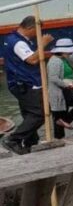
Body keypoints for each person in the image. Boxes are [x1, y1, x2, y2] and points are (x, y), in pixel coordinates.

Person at [2, 17, 53, 154]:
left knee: (29, 114)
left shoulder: (12, 39)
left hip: (19, 83)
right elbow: (32, 60)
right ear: (30, 28)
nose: (37, 35)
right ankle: (13, 139)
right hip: (25, 83)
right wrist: (43, 44)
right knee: (40, 114)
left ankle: (29, 143)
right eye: (37, 31)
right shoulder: (18, 43)